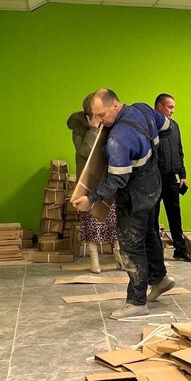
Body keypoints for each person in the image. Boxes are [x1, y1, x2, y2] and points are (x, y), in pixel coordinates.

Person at [72, 89, 175, 319]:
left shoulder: (118, 138)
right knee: (149, 234)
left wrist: (91, 199)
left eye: (102, 115)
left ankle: (137, 301)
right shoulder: (143, 109)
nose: (100, 122)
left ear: (115, 105)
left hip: (135, 196)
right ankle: (160, 279)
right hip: (153, 187)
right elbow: (169, 127)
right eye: (96, 117)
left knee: (131, 246)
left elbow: (116, 179)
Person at [67, 93, 119, 274]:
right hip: (88, 181)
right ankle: (94, 259)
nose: (100, 117)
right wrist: (93, 130)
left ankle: (120, 256)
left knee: (115, 219)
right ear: (88, 115)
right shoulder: (79, 129)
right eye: (96, 114)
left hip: (108, 179)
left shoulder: (111, 124)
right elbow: (85, 152)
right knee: (91, 221)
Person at [154, 93, 191, 263]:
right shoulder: (151, 126)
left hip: (171, 178)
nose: (172, 111)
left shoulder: (174, 126)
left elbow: (179, 150)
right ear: (159, 106)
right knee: (153, 216)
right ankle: (155, 253)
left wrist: (182, 174)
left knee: (175, 216)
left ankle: (180, 250)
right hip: (155, 179)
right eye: (170, 107)